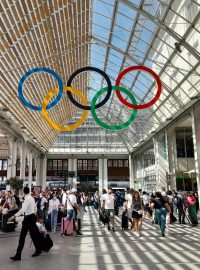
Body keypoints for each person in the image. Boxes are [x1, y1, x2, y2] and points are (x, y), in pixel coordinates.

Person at [8, 187, 42, 261]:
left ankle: (18, 255)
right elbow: (35, 208)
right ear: (28, 191)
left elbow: (23, 209)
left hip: (28, 219)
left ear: (23, 192)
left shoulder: (27, 199)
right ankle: (38, 250)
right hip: (32, 217)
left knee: (22, 237)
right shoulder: (32, 198)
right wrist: (34, 216)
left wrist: (14, 215)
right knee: (33, 235)